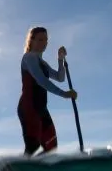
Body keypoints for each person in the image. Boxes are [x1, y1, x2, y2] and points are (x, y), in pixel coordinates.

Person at [17, 26, 77, 156]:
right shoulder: (29, 58)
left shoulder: (43, 63)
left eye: (45, 40)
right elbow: (41, 81)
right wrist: (64, 94)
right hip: (29, 107)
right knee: (33, 146)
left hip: (42, 109)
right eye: (40, 39)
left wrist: (60, 59)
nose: (44, 43)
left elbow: (60, 78)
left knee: (51, 147)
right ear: (31, 41)